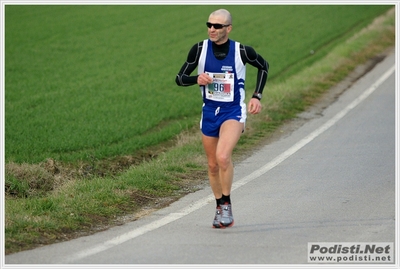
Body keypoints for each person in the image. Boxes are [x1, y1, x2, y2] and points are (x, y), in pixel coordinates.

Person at [175, 8, 269, 228]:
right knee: (212, 165)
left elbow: (264, 66)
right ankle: (219, 206)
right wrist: (196, 79)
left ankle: (226, 204)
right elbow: (180, 78)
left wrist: (257, 96)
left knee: (223, 157)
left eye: (217, 26)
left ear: (228, 28)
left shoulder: (242, 51)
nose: (212, 29)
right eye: (209, 25)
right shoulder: (199, 49)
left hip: (233, 111)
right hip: (209, 112)